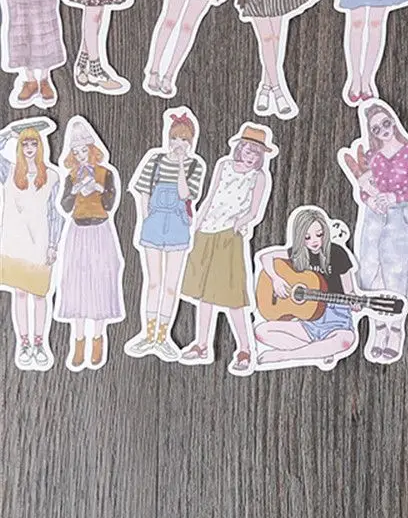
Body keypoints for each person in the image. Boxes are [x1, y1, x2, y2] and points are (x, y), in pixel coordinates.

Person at [180, 124, 276, 374]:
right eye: (248, 150)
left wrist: (238, 224)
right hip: (206, 231)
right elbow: (210, 196)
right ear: (240, 148)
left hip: (229, 236)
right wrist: (196, 227)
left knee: (232, 296)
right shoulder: (224, 165)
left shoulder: (259, 177)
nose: (251, 156)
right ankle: (201, 344)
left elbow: (254, 211)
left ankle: (244, 348)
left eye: (256, 153)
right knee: (204, 294)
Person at [340, 103, 408, 362]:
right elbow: (364, 188)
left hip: (398, 219)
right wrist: (370, 199)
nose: (383, 130)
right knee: (370, 272)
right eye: (376, 128)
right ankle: (378, 328)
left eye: (386, 123)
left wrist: (394, 197)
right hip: (372, 219)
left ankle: (395, 329)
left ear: (393, 122)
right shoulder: (372, 156)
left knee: (396, 273)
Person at [124, 110, 206, 361]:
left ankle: (162, 337)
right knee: (154, 282)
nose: (179, 144)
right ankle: (148, 335)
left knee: (171, 285)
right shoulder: (155, 159)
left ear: (191, 142)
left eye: (184, 140)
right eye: (175, 138)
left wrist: (181, 164)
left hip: (178, 224)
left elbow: (185, 194)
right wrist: (146, 217)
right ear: (168, 138)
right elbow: (143, 191)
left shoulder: (195, 166)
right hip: (155, 222)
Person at [54, 119, 124, 371]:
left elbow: (109, 204)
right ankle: (78, 341)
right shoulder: (71, 176)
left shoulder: (106, 173)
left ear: (92, 150)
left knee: (101, 280)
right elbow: (64, 206)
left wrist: (99, 188)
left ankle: (97, 340)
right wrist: (74, 191)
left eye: (84, 150)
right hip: (78, 230)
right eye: (77, 152)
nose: (81, 155)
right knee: (77, 283)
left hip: (100, 229)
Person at [255, 207, 359, 370]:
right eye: (307, 237)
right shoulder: (299, 254)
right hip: (308, 322)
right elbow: (266, 257)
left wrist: (354, 302)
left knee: (346, 340)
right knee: (261, 331)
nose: (314, 241)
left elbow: (349, 291)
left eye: (319, 234)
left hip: (336, 319)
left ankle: (285, 356)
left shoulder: (337, 253)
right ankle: (320, 351)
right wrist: (276, 279)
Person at [0, 121, 61, 370]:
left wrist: (53, 244)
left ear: (40, 146)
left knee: (39, 294)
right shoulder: (9, 172)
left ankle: (39, 342)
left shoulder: (52, 176)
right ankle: (24, 343)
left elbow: (55, 213)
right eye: (24, 143)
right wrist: (8, 133)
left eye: (33, 143)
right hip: (14, 243)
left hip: (40, 242)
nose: (28, 148)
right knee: (20, 293)